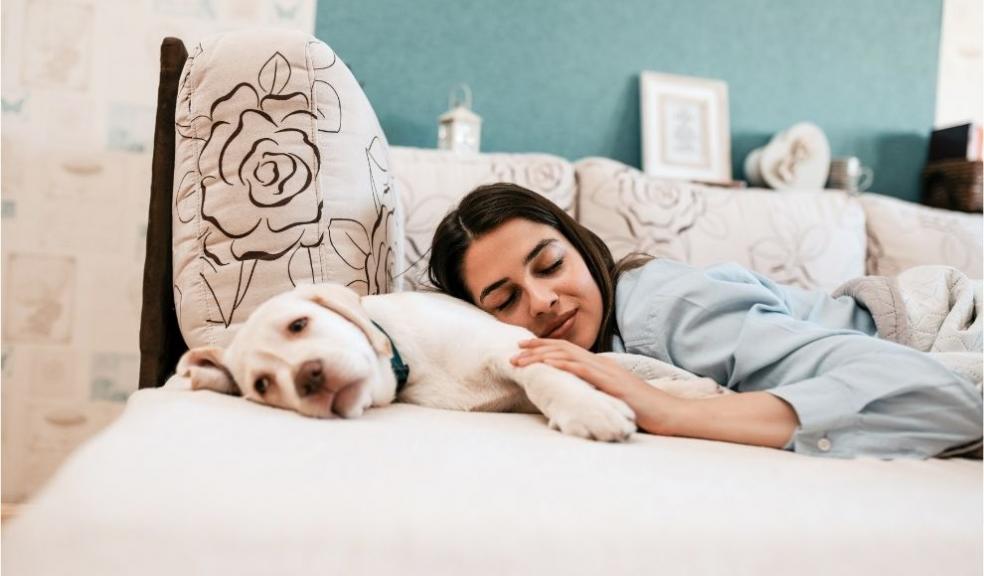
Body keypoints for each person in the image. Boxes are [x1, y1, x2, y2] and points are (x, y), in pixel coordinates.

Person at [426, 182, 983, 459]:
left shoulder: (662, 304)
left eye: (550, 264)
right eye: (504, 301)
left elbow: (940, 396)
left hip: (944, 326)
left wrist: (668, 411)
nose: (543, 301)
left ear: (580, 244)